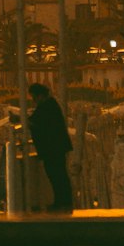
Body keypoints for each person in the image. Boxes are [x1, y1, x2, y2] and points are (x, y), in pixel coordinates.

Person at [27, 82, 73, 212]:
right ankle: (63, 201)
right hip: (56, 147)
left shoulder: (47, 106)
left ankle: (62, 201)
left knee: (56, 175)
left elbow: (36, 122)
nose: (34, 101)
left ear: (40, 96)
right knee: (58, 174)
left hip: (53, 148)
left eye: (34, 97)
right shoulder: (50, 105)